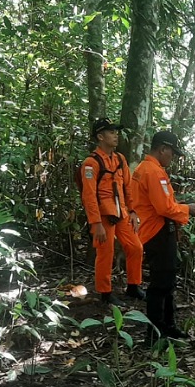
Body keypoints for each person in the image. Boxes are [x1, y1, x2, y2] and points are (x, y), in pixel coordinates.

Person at [132, 130, 195, 339]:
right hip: (157, 232)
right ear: (162, 149)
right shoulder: (153, 172)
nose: (173, 158)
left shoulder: (144, 169)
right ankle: (155, 333)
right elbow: (164, 208)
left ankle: (168, 327)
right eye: (172, 152)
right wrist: (187, 209)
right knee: (161, 284)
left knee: (166, 280)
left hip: (152, 231)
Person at [80, 118, 145, 307]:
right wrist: (96, 223)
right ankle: (105, 293)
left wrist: (132, 211)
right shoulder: (91, 164)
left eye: (116, 131)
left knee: (135, 247)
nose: (116, 135)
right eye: (111, 132)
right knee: (105, 253)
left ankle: (133, 285)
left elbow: (128, 187)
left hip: (122, 213)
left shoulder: (120, 159)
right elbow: (89, 196)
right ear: (100, 137)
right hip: (103, 217)